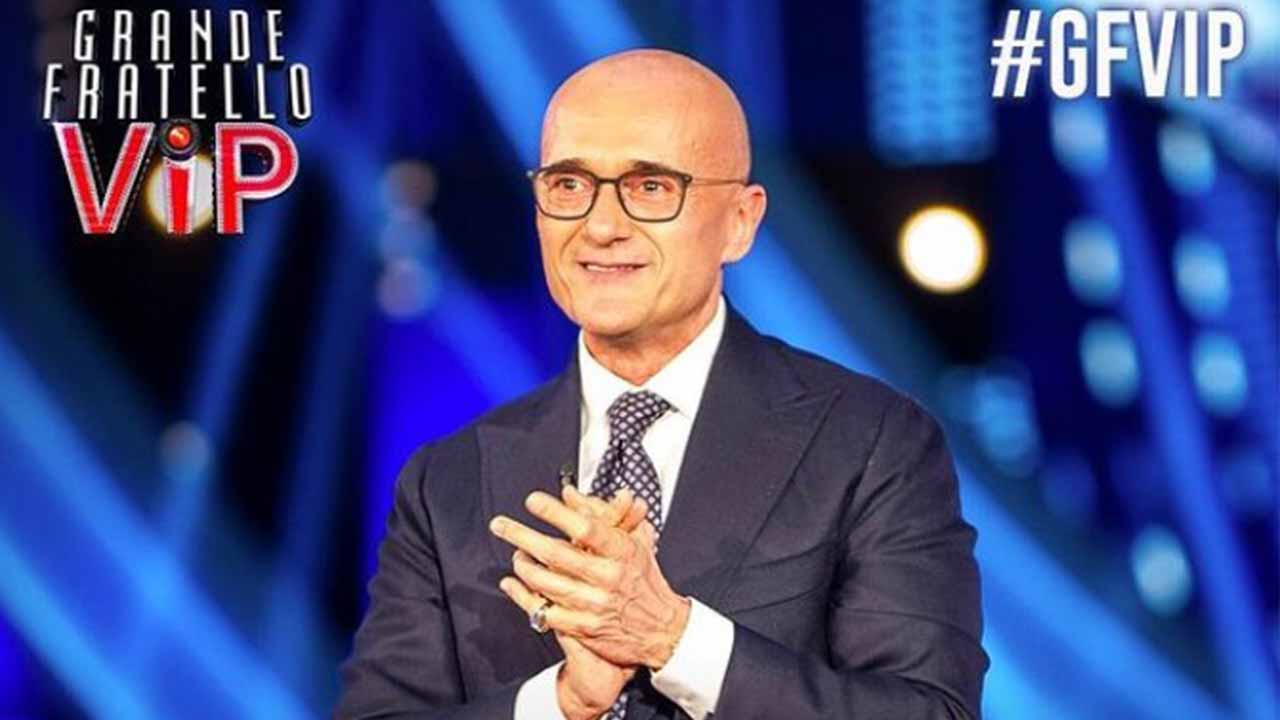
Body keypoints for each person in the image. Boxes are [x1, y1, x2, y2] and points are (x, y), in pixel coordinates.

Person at [337, 49, 987, 720]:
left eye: (650, 187)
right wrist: (562, 702)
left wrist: (673, 640)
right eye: (568, 184)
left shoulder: (871, 442)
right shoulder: (446, 482)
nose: (600, 226)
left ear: (740, 222)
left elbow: (929, 712)